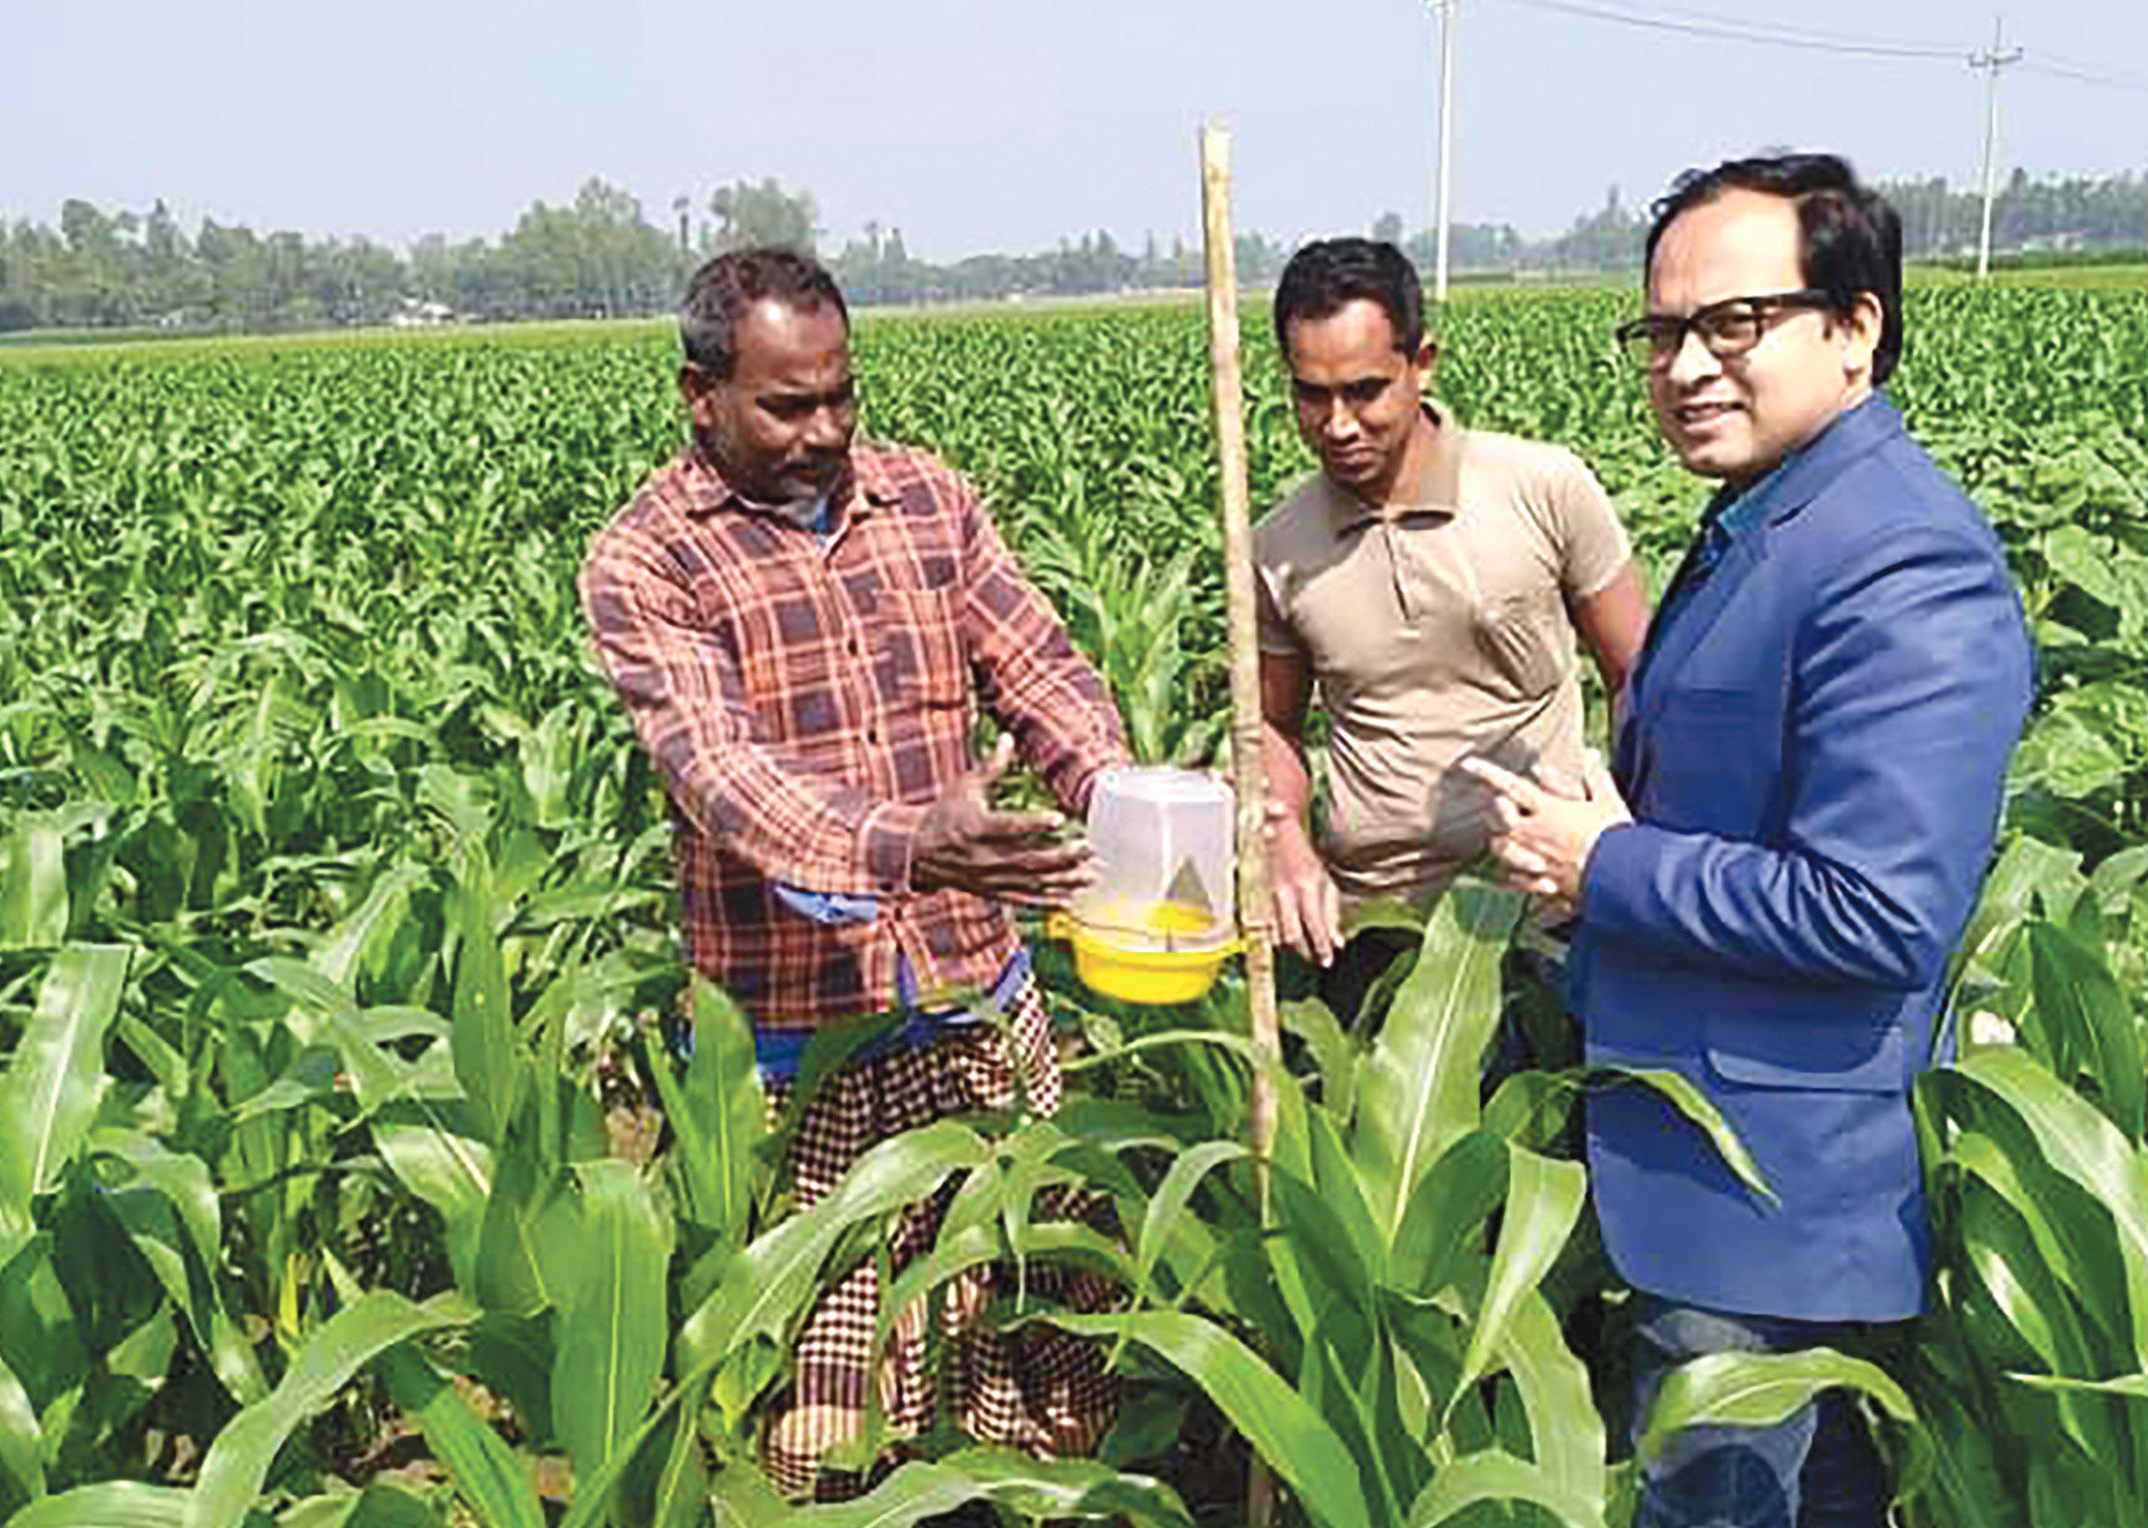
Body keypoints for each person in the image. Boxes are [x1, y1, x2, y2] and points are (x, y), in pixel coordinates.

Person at [1465, 155, 2034, 1525]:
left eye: (1732, 325)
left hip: (1772, 1207)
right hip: (1707, 1175)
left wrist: (1607, 867)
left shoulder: (1899, 561)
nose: (1683, 367)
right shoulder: (1772, 517)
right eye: (1659, 333)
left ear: (1854, 328)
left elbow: (1875, 911)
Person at [578, 246, 1127, 1500]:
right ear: (699, 393)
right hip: (799, 1047)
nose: (826, 431)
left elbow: (1038, 667)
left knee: (1034, 1320)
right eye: (788, 405)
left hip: (975, 998)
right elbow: (717, 769)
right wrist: (905, 842)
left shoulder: (926, 500)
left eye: (842, 396)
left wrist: (1113, 791)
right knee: (828, 1395)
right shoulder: (649, 562)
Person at [1252, 237, 1647, 1013]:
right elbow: (1270, 727)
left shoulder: (1542, 487)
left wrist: (1630, 854)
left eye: (1365, 391)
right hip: (1374, 924)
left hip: (1545, 907)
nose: (1336, 425)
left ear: (1421, 362)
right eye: (1310, 395)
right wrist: (1285, 842)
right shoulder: (1276, 547)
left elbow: (1637, 671)